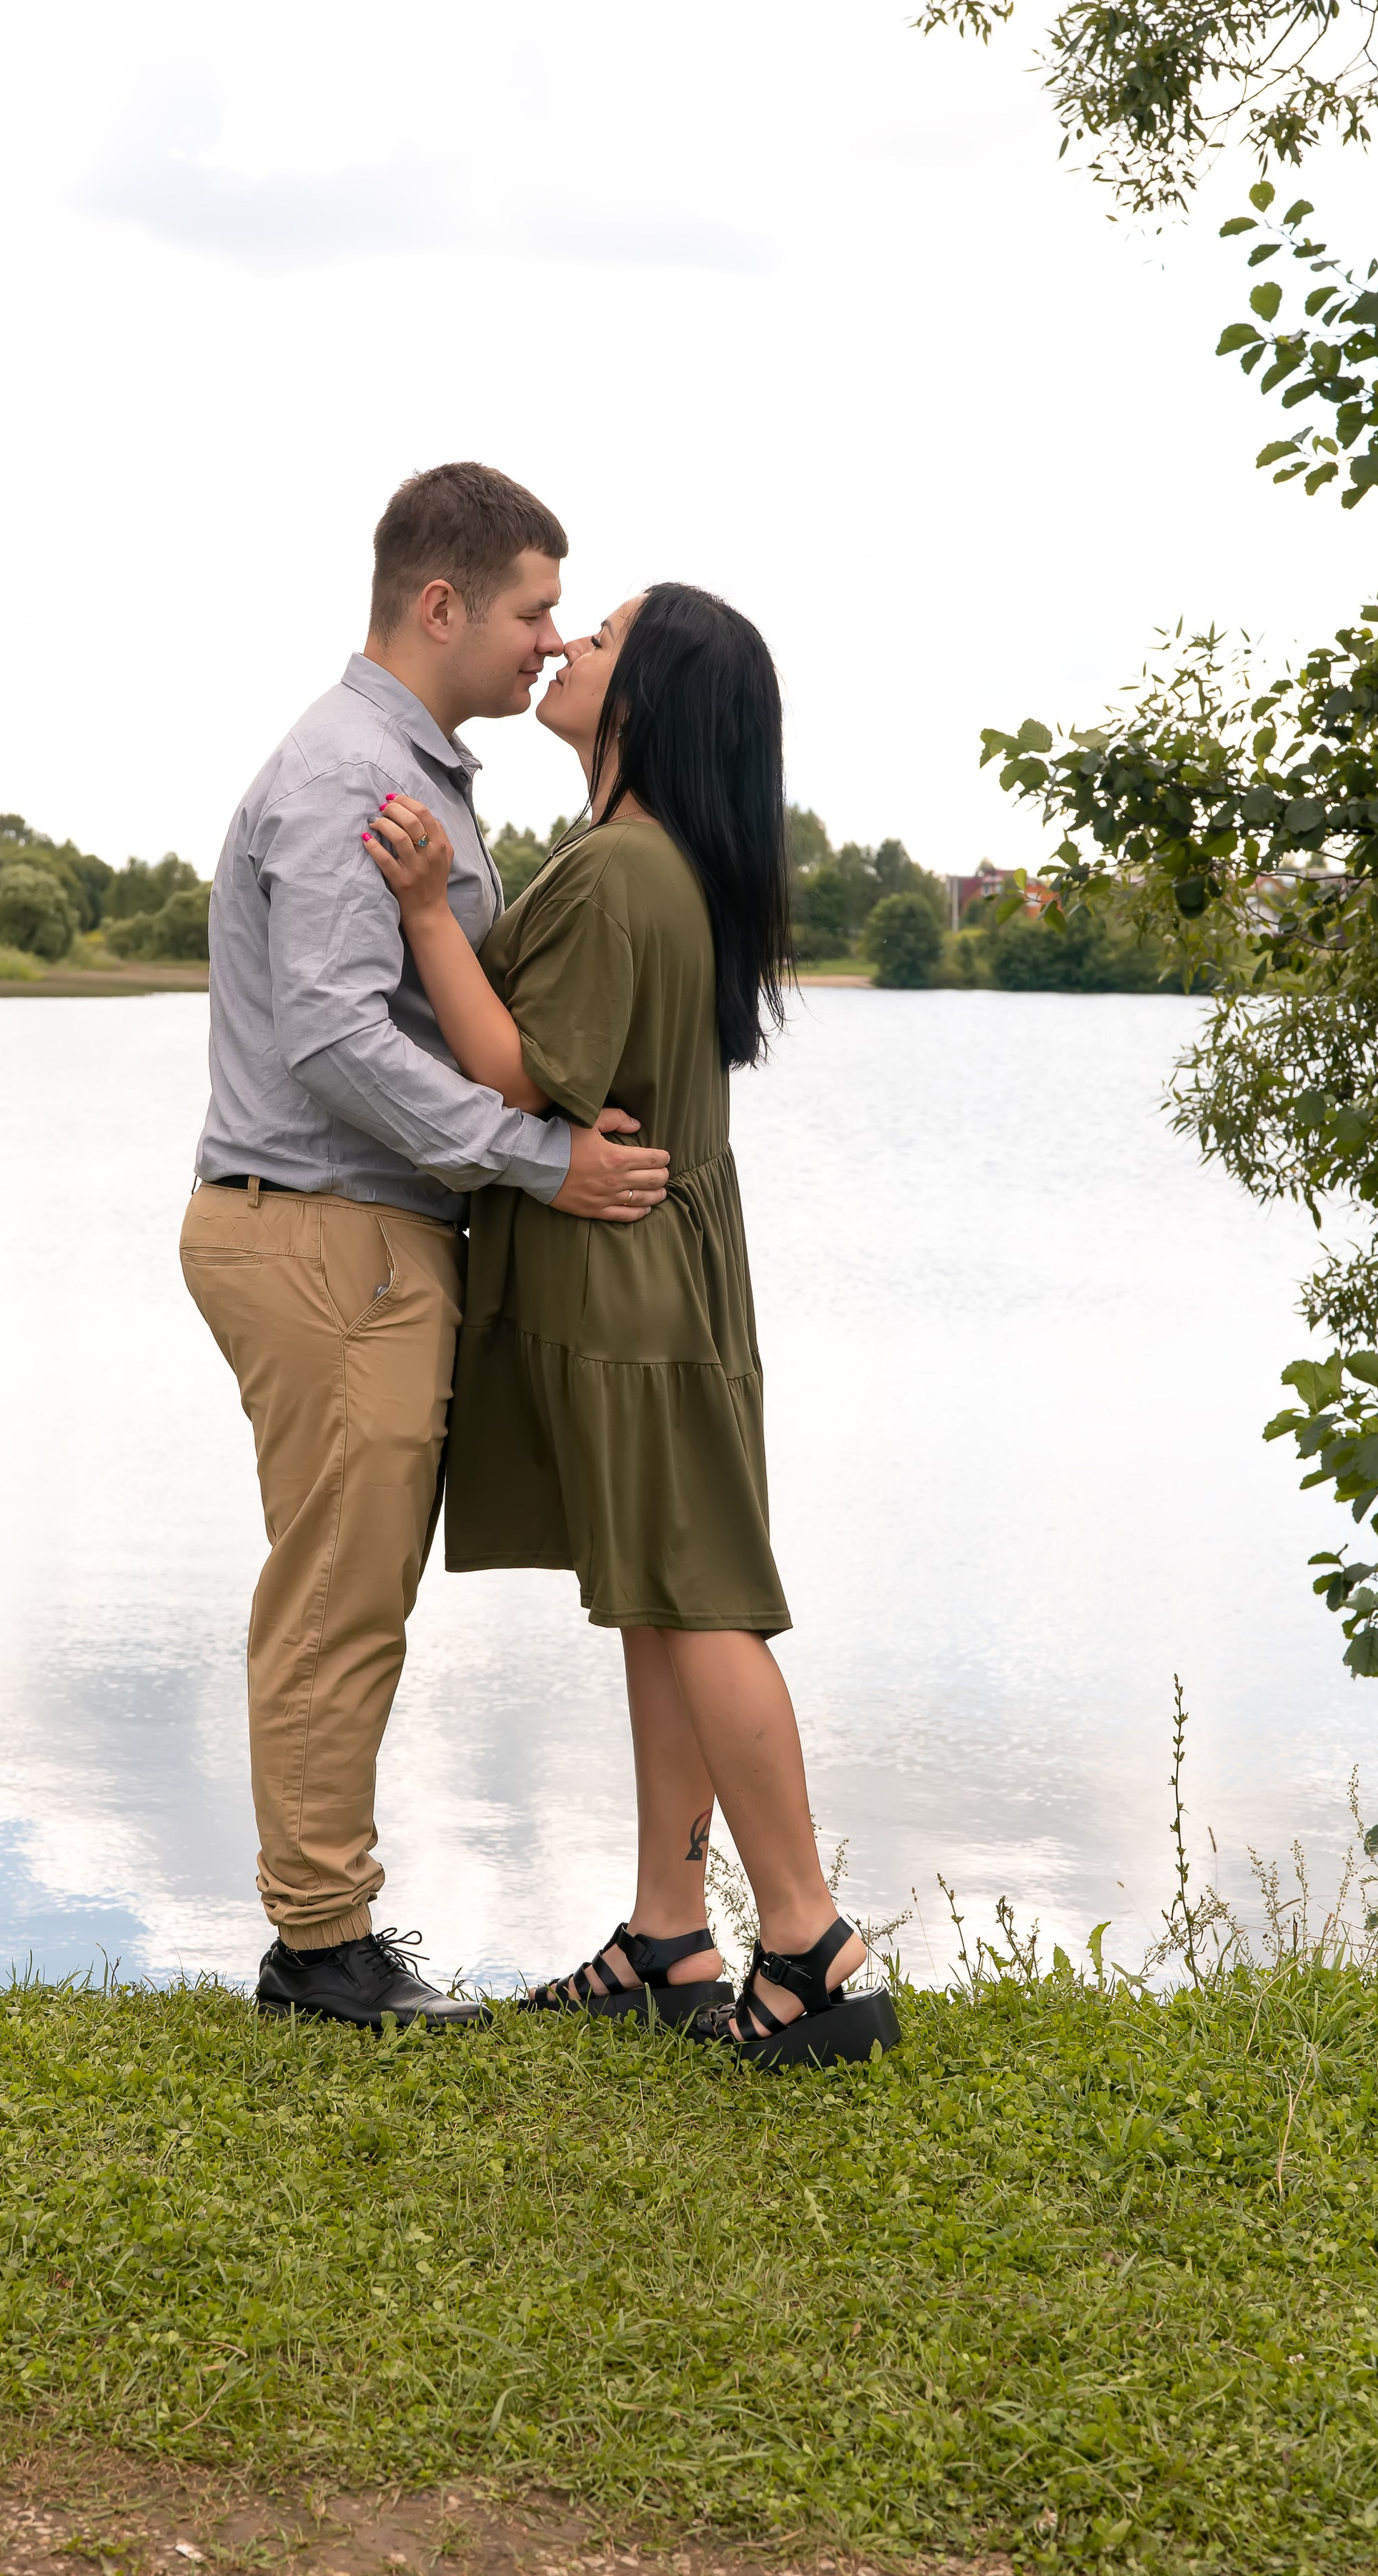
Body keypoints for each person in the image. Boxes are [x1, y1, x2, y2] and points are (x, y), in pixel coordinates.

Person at [361, 582, 899, 2069]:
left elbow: (515, 1073)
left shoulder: (617, 873)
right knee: (661, 1602)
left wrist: (419, 913)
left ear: (647, 695)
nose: (565, 648)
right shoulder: (658, 862)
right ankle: (671, 1936)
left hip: (628, 1285)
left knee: (700, 1597)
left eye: (596, 638)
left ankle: (812, 1948)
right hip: (669, 1273)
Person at [181, 463, 672, 2034]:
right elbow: (331, 1034)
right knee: (339, 1598)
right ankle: (319, 1954)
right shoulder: (349, 776)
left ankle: (322, 1934)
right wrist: (538, 1163)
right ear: (442, 603)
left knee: (347, 1589)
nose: (544, 642)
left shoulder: (410, 772)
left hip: (353, 1236)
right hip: (329, 1233)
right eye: (533, 611)